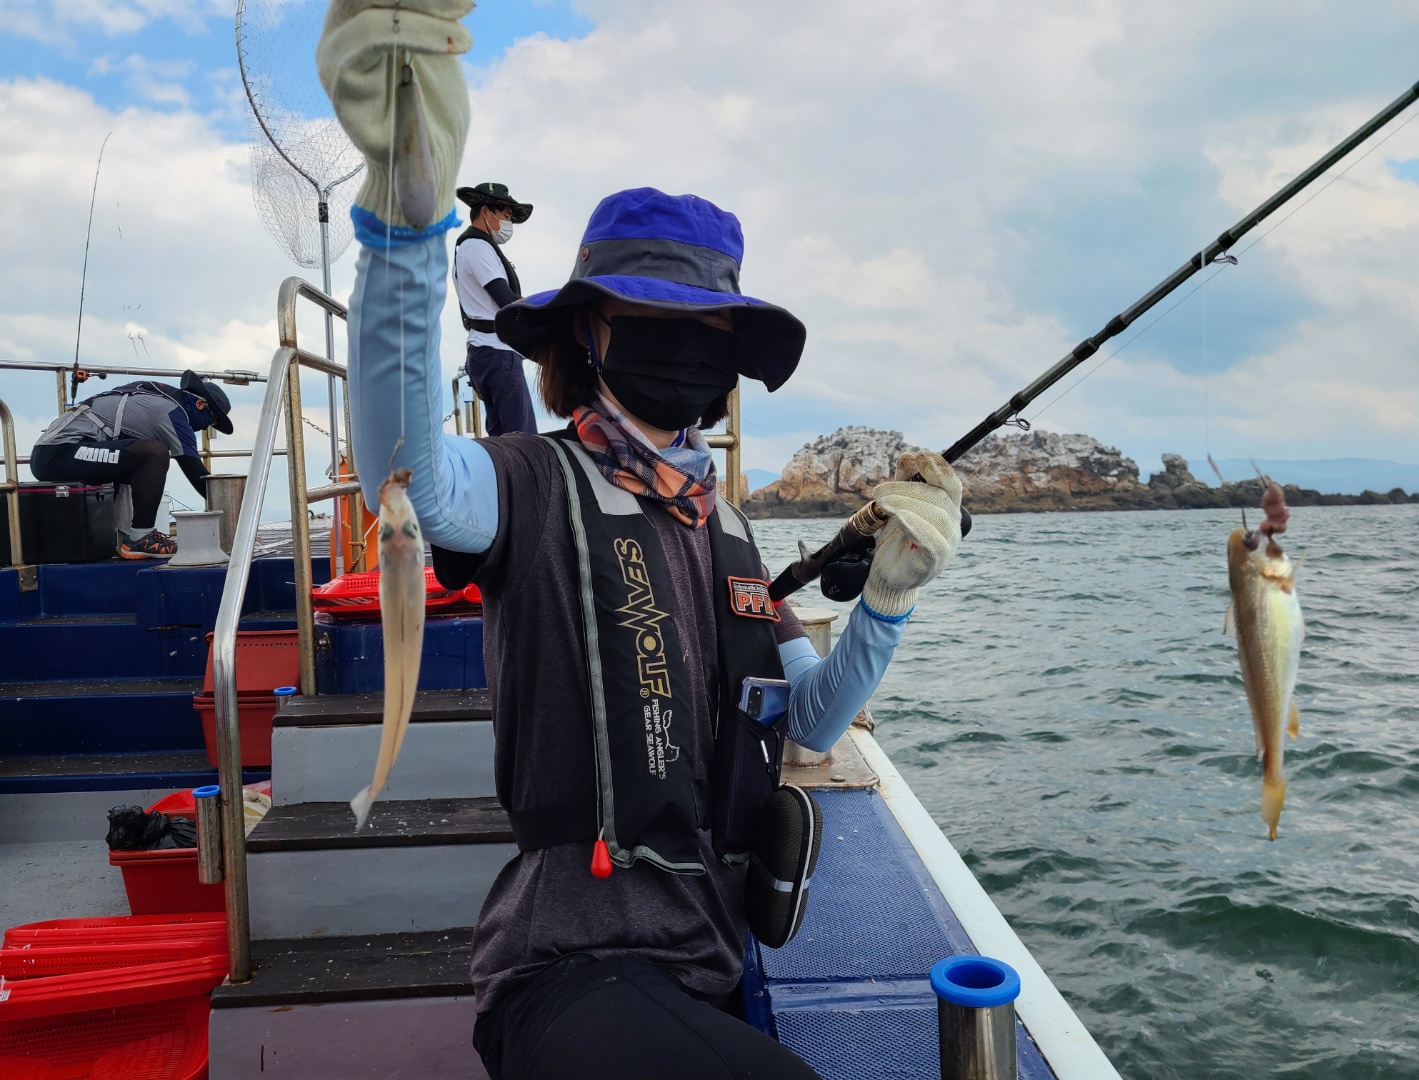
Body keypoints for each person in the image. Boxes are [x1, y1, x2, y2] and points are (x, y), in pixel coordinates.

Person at [319, 6, 964, 1077]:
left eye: (708, 330)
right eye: (655, 321)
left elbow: (811, 718)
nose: (685, 350)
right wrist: (403, 222)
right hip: (566, 964)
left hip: (708, 949)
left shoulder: (729, 526)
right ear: (590, 331)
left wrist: (887, 605)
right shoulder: (525, 484)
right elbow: (407, 472)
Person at [29, 370, 233, 559]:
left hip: (62, 453)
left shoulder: (156, 397)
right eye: (211, 421)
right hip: (57, 453)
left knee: (136, 459)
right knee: (154, 453)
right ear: (200, 405)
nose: (204, 428)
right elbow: (196, 473)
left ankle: (116, 538)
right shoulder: (171, 412)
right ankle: (141, 537)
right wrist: (235, 510)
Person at [454, 181, 538, 436]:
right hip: (497, 353)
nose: (508, 223)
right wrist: (549, 305)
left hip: (485, 352)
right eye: (506, 215)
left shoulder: (468, 247)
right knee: (522, 441)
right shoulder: (478, 247)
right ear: (486, 212)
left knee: (502, 440)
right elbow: (506, 300)